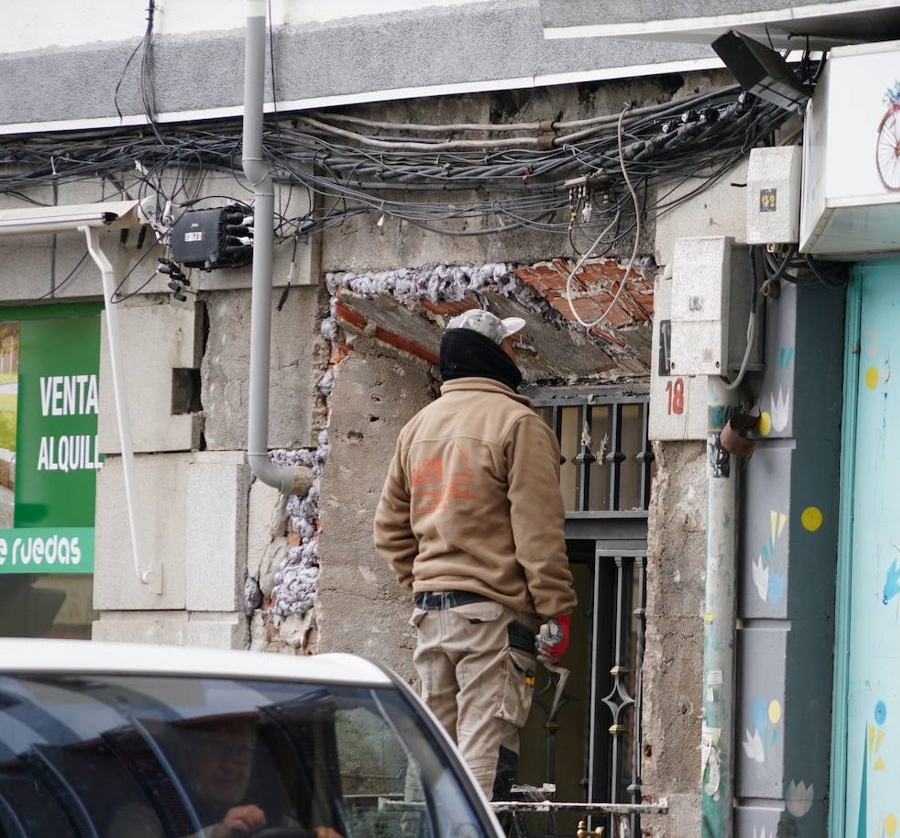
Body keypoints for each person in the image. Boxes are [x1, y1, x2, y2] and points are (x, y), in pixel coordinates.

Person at [374, 308, 577, 800]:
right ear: (490, 355)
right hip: (491, 618)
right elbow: (537, 532)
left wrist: (426, 582)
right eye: (509, 345)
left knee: (432, 750)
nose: (516, 352)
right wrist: (557, 609)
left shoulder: (417, 427)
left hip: (431, 612)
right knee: (484, 746)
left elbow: (388, 530)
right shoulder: (518, 423)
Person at [107, 716, 343, 838]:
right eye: (214, 748)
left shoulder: (273, 819)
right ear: (188, 757)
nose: (230, 765)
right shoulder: (141, 817)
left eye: (241, 751)